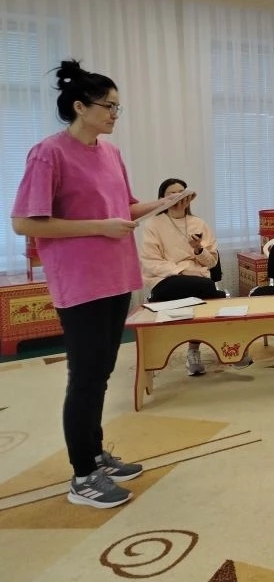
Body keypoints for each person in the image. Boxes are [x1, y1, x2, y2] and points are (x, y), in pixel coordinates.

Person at [10, 59, 187, 509]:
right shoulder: (48, 153)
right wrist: (98, 227)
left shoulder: (111, 154)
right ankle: (83, 476)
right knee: (85, 375)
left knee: (102, 371)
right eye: (108, 106)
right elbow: (24, 222)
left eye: (116, 107)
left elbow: (124, 209)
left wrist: (167, 201)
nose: (114, 114)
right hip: (80, 281)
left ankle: (94, 453)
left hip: (116, 277)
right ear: (79, 106)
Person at [140, 178, 250, 375]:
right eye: (172, 194)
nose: (178, 197)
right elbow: (150, 261)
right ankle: (233, 349)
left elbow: (212, 263)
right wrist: (181, 271)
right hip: (166, 280)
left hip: (198, 281)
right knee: (209, 292)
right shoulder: (153, 225)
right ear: (162, 198)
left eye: (182, 193)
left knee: (203, 295)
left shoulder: (198, 223)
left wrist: (198, 249)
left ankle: (195, 351)